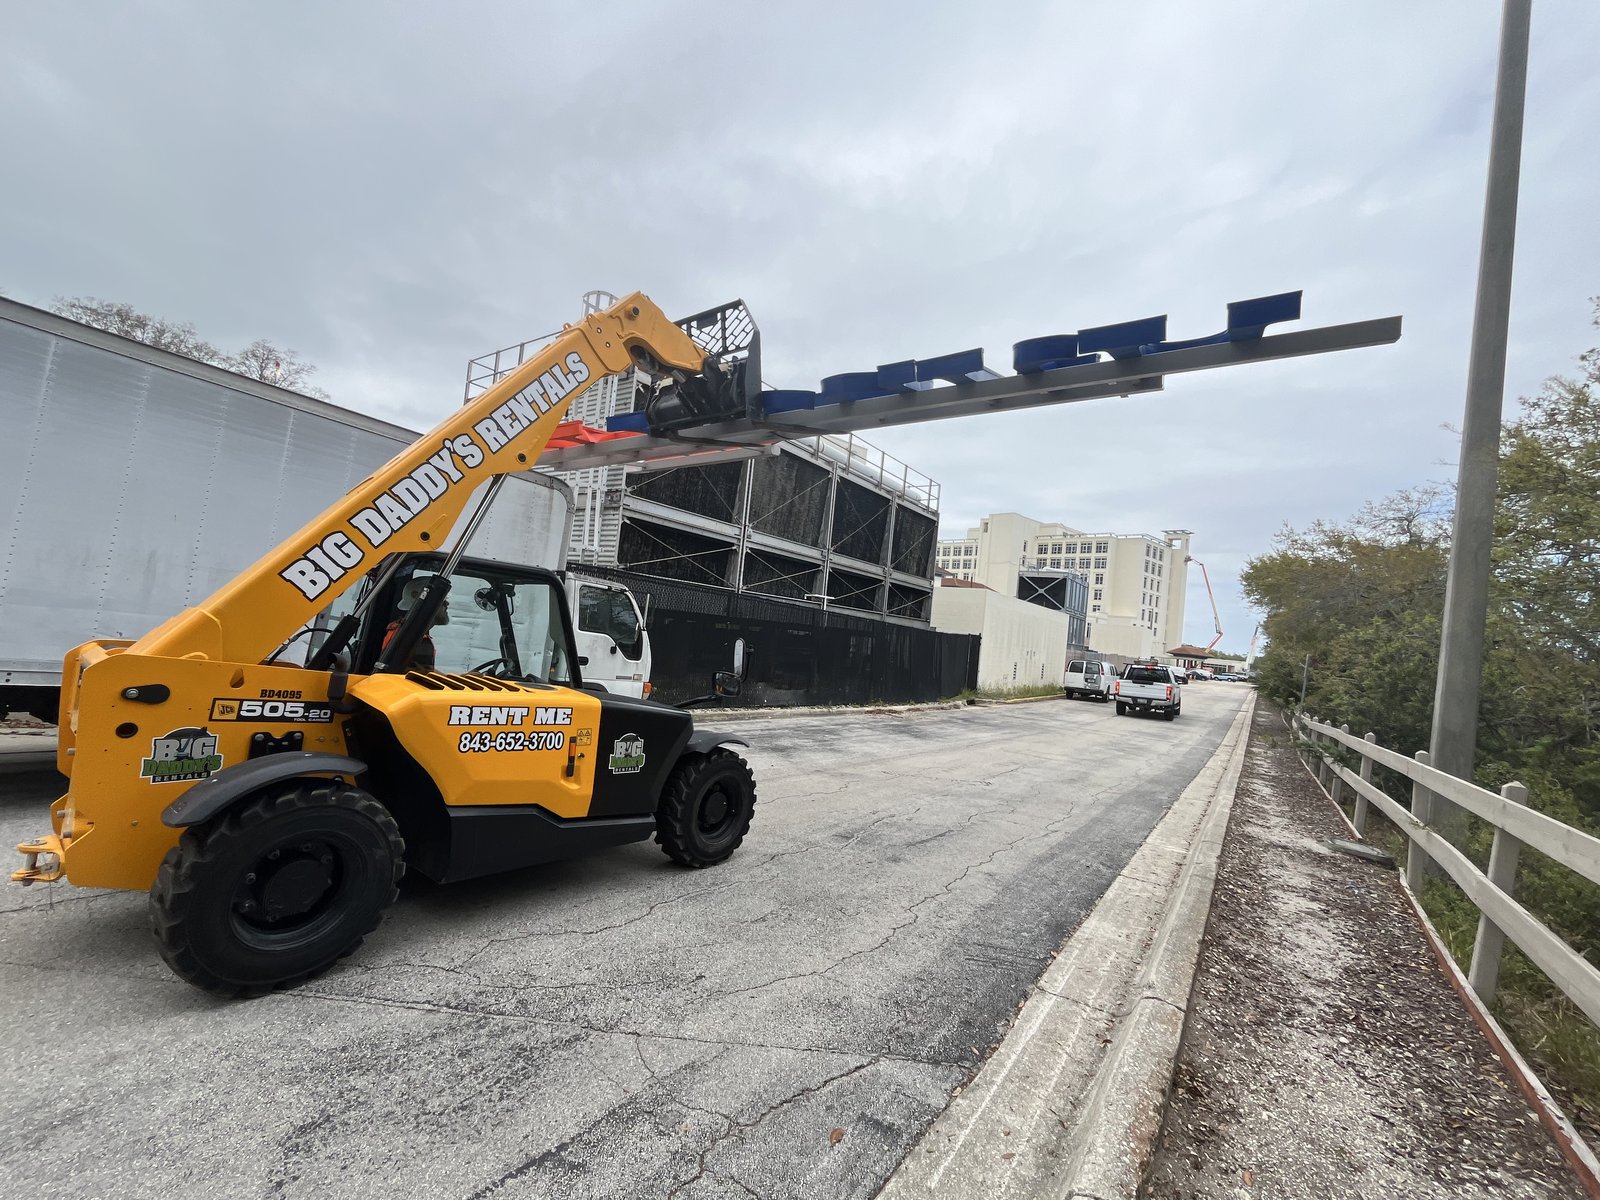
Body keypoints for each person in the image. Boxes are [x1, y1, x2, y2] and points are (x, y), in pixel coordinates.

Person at [381, 578, 447, 669]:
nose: (447, 604)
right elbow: (421, 674)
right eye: (442, 599)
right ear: (417, 596)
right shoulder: (416, 639)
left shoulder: (401, 630)